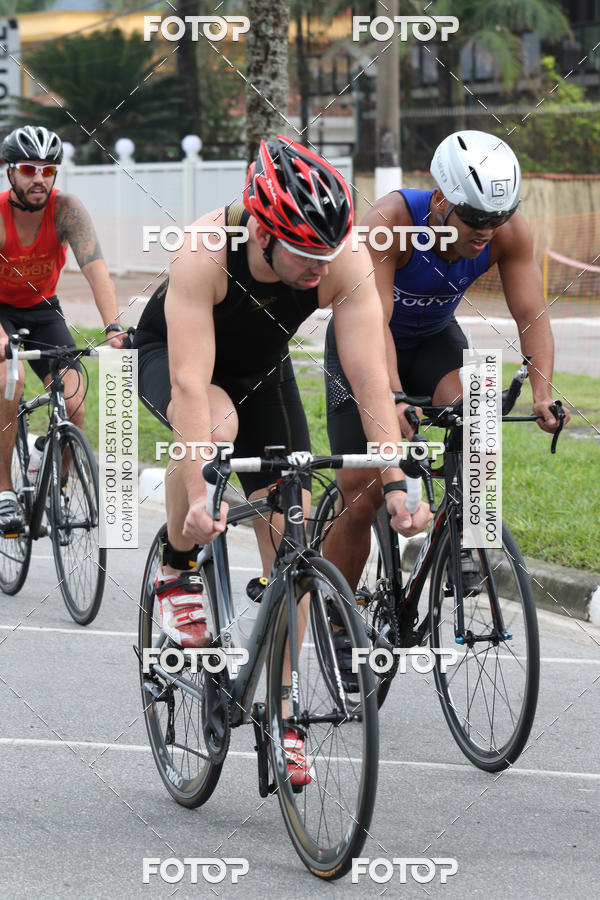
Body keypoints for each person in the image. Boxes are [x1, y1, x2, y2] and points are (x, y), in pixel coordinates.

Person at [133, 135, 431, 785]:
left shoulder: (339, 260)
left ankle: (284, 711)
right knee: (217, 428)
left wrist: (396, 477)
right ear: (264, 229)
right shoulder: (205, 253)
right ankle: (179, 566)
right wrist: (201, 489)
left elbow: (369, 378)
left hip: (263, 376)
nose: (322, 270)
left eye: (330, 253)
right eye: (307, 254)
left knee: (291, 548)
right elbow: (190, 386)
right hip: (180, 361)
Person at [322, 129, 570, 589]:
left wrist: (542, 394)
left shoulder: (506, 234)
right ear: (439, 199)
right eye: (475, 217)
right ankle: (339, 619)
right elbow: (374, 325)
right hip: (364, 342)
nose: (486, 231)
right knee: (361, 494)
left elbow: (531, 313)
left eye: (498, 217)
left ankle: (469, 542)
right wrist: (394, 398)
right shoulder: (392, 221)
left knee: (480, 399)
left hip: (433, 336)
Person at [0, 125, 127, 530]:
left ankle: (57, 482)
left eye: (48, 170)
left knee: (73, 402)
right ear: (10, 173)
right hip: (0, 310)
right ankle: (3, 490)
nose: (39, 178)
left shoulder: (67, 209)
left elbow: (96, 270)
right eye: (28, 168)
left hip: (43, 309)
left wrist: (113, 326)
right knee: (10, 379)